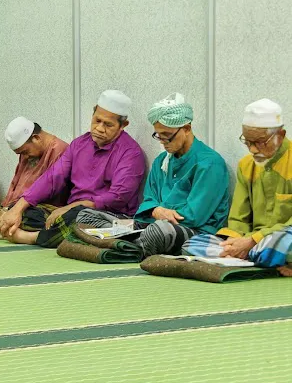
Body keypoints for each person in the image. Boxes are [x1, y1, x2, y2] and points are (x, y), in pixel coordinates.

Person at [77, 93, 230, 259]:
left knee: (158, 232)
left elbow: (195, 216)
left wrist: (163, 217)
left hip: (190, 230)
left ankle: (120, 245)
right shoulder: (162, 161)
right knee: (85, 215)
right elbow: (149, 200)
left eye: (167, 136)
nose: (163, 142)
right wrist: (156, 210)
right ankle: (126, 244)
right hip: (149, 225)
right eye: (158, 135)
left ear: (186, 129)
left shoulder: (209, 164)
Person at [0, 90, 146, 247]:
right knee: (24, 210)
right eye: (97, 121)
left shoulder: (131, 153)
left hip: (112, 217)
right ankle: (60, 235)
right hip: (71, 212)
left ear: (123, 126)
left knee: (79, 217)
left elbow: (118, 197)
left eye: (108, 125)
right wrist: (18, 208)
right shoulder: (79, 144)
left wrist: (72, 207)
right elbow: (53, 177)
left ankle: (32, 237)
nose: (100, 128)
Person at [182, 99, 292, 276]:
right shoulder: (246, 165)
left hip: (277, 237)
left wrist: (253, 240)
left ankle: (253, 255)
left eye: (260, 142)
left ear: (280, 134)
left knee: (283, 241)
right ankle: (254, 257)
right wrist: (234, 242)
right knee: (192, 244)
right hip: (253, 242)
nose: (253, 149)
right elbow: (238, 218)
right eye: (247, 142)